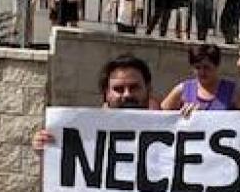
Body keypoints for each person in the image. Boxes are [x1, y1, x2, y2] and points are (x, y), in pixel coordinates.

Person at [31, 53, 159, 152]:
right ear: (106, 94)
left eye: (134, 87)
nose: (127, 94)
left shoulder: (168, 130)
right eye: (119, 89)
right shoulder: (85, 133)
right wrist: (47, 146)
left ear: (148, 89)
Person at [160, 44, 240, 112]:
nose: (202, 72)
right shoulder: (182, 90)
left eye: (206, 67)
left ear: (217, 66)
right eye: (197, 68)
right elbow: (161, 116)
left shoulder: (233, 92)